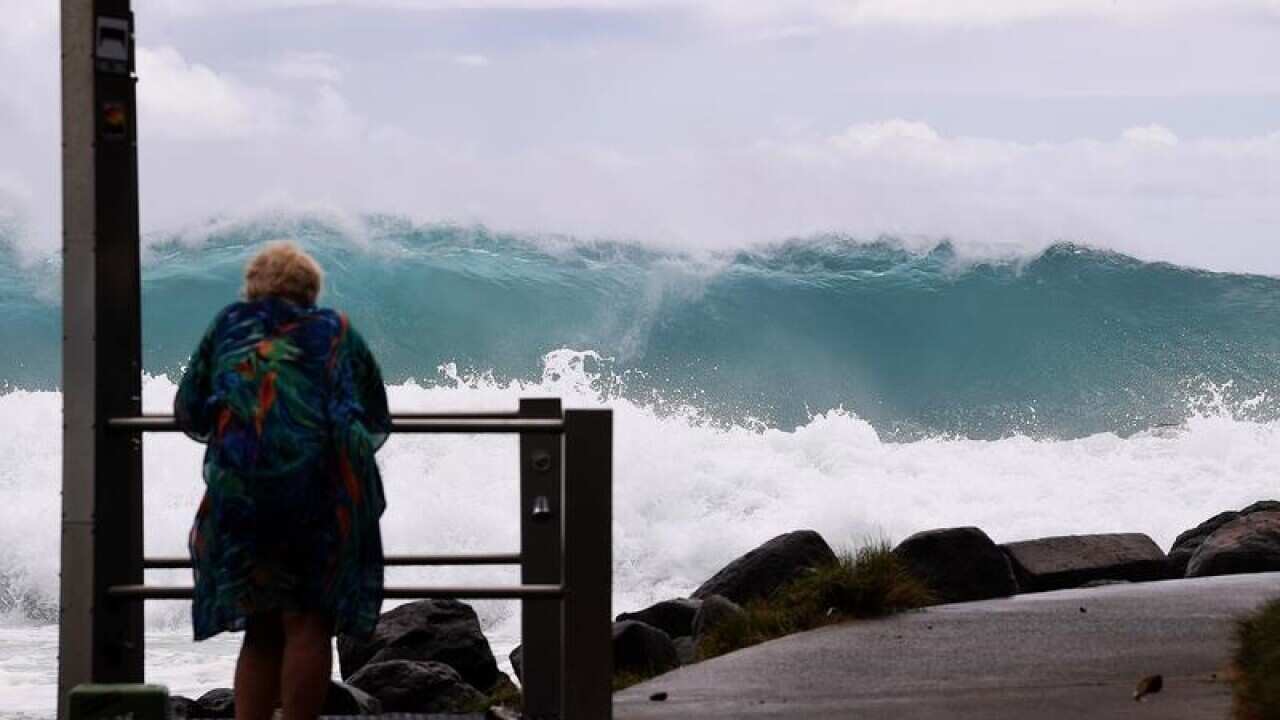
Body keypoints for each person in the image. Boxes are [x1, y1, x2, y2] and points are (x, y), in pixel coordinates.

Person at [175, 241, 391, 720]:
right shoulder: (335, 331)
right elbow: (376, 416)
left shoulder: (230, 326)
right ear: (310, 289)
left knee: (261, 626)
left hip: (245, 499)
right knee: (310, 621)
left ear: (253, 285)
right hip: (321, 498)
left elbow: (189, 410)